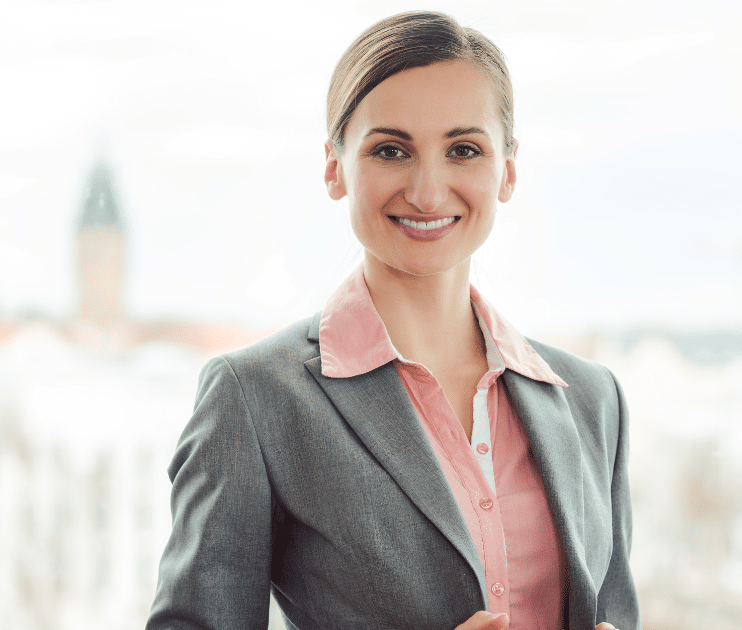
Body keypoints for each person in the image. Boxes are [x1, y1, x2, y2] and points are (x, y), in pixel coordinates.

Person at [147, 11, 639, 630]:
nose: (428, 192)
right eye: (390, 150)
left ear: (508, 169)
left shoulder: (594, 400)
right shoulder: (255, 399)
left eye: (464, 150)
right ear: (335, 167)